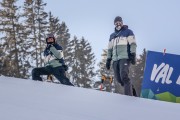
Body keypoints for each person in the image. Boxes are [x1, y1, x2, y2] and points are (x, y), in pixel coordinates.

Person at [106, 16, 137, 96]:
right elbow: (110, 49)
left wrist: (133, 54)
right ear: (114, 24)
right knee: (119, 80)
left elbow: (133, 44)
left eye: (119, 22)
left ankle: (128, 97)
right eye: (116, 23)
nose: (118, 24)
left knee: (124, 76)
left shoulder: (128, 32)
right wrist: (108, 60)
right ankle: (134, 94)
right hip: (115, 60)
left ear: (122, 23)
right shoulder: (112, 35)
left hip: (124, 58)